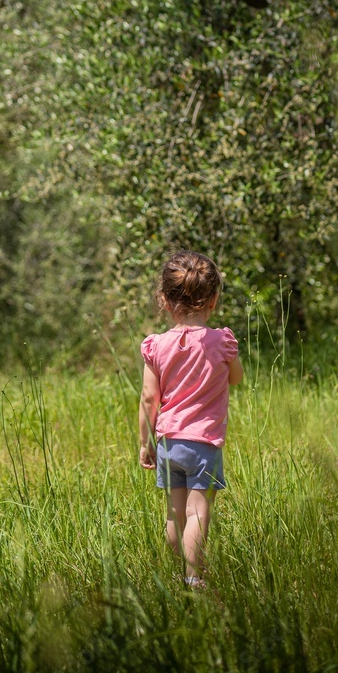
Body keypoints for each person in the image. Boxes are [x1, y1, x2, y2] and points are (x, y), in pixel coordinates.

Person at [139, 250, 244, 589]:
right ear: (214, 300)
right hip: (204, 445)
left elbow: (148, 398)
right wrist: (228, 360)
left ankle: (178, 572)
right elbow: (236, 378)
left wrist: (145, 442)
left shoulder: (156, 346)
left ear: (164, 301)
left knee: (174, 514)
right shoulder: (221, 341)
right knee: (198, 514)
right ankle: (194, 578)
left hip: (168, 443)